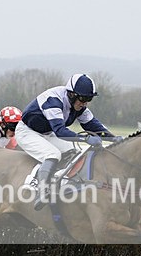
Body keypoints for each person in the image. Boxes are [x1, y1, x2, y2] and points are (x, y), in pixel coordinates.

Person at [15, 73, 118, 210]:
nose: (85, 103)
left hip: (47, 132)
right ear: (71, 95)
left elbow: (93, 125)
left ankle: (62, 184)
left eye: (89, 99)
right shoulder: (53, 101)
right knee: (52, 155)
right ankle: (42, 190)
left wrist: (114, 138)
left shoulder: (79, 107)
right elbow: (60, 131)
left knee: (73, 152)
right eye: (83, 98)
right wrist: (86, 138)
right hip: (27, 132)